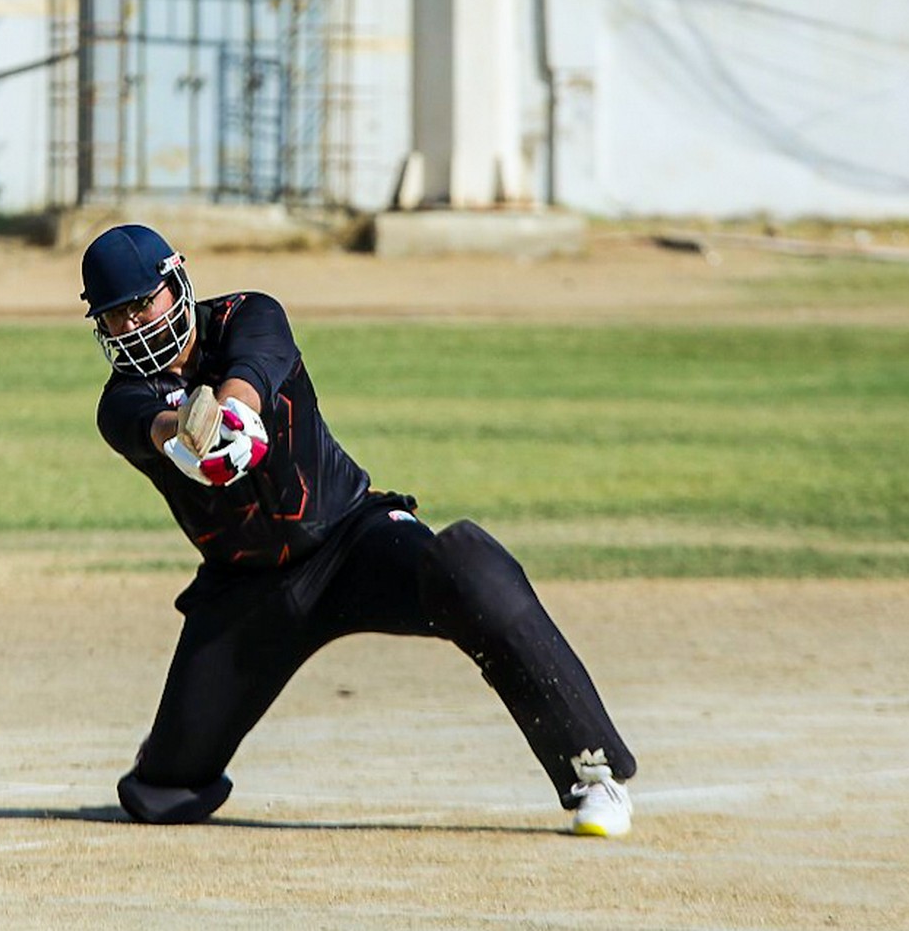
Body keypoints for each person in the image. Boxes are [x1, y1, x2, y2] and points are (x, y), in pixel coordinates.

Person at [80, 223, 636, 836]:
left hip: (351, 542)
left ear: (178, 279)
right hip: (244, 591)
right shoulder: (120, 401)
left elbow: (252, 372)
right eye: (114, 316)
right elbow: (153, 425)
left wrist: (234, 416)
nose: (132, 325)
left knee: (467, 569)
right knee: (161, 790)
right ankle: (168, 760)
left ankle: (593, 771)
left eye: (142, 303)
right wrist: (187, 436)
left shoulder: (250, 314)